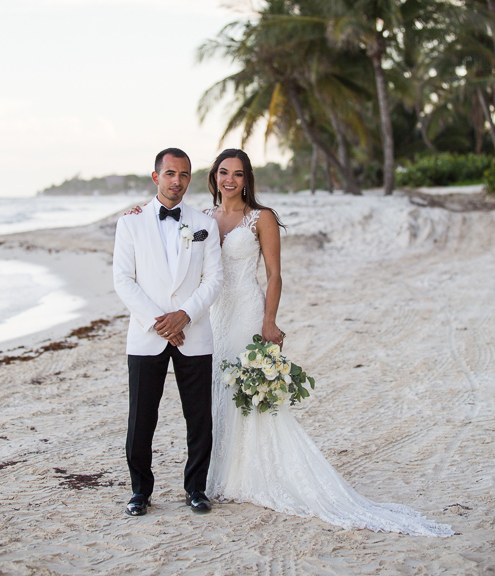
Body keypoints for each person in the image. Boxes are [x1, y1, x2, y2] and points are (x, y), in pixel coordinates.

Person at [126, 148, 454, 536]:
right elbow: (178, 260)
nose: (230, 179)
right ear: (213, 177)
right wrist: (141, 214)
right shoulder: (203, 219)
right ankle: (223, 476)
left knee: (239, 395)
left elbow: (274, 274)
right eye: (224, 172)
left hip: (245, 312)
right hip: (210, 317)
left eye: (239, 173)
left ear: (247, 179)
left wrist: (269, 322)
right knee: (217, 397)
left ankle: (247, 474)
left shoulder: (261, 218)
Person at [113, 147, 223, 517]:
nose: (178, 181)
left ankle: (196, 489)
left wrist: (185, 316)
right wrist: (161, 322)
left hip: (194, 333)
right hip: (148, 334)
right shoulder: (130, 222)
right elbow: (123, 280)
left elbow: (215, 279)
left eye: (185, 174)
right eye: (170, 173)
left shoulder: (202, 221)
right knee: (141, 417)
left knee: (199, 418)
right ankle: (140, 492)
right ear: (156, 176)